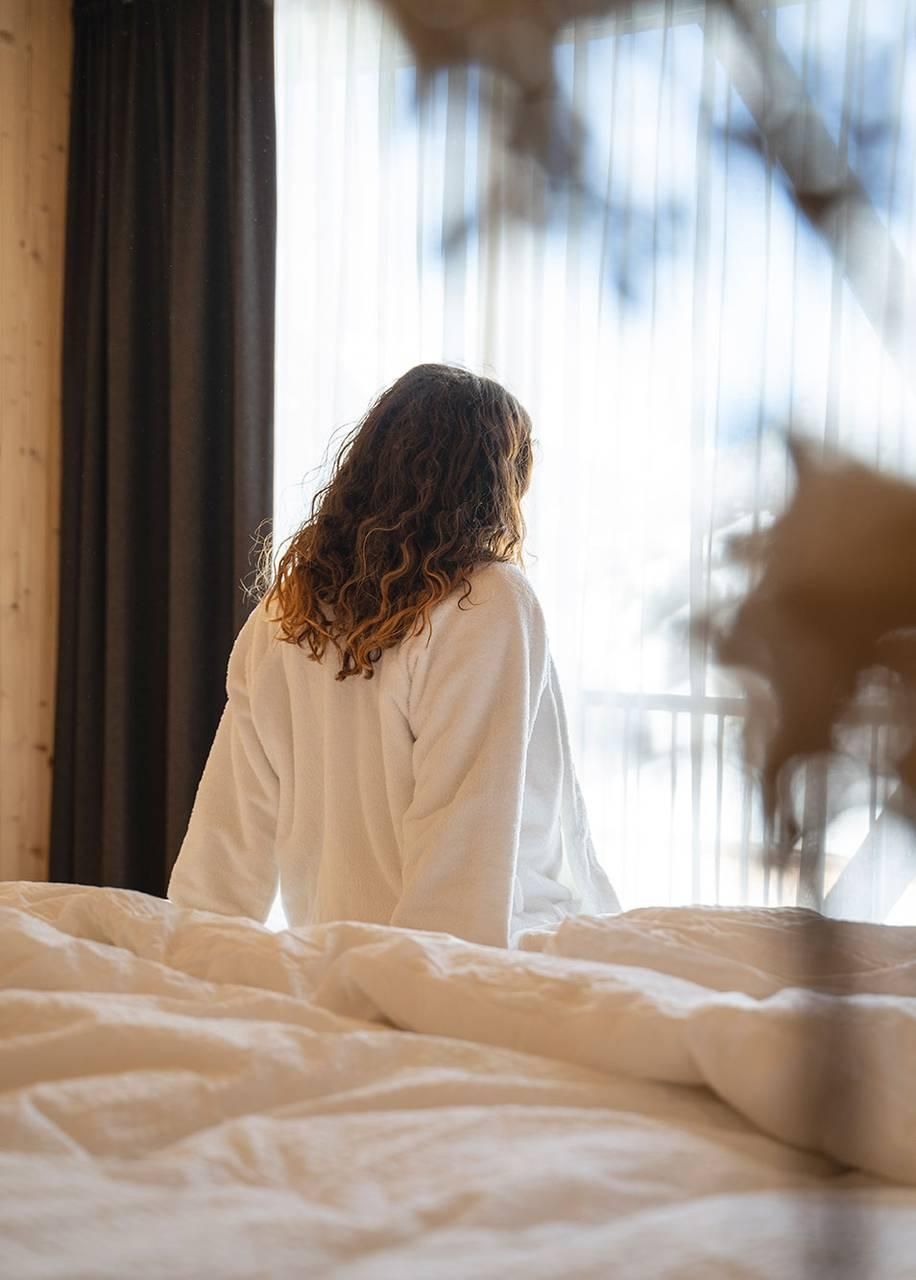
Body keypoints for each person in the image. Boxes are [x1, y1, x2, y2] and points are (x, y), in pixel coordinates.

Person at [168, 363, 619, 946]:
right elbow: (464, 852)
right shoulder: (486, 603)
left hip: (348, 958)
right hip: (484, 957)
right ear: (491, 486)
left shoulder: (284, 615)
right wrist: (416, 1001)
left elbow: (221, 860)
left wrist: (191, 961)